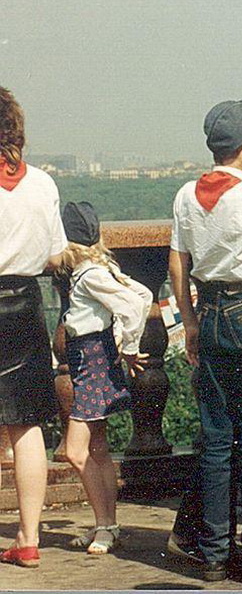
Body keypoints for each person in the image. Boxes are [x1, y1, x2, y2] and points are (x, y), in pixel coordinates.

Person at [168, 98, 242, 584]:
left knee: (217, 439)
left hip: (210, 311)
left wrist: (190, 322)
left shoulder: (186, 195)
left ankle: (213, 552)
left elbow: (178, 263)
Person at [56, 202, 153, 555]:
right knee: (97, 447)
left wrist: (131, 346)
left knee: (74, 450)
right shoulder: (99, 268)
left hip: (91, 362)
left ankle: (105, 524)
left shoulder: (90, 276)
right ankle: (106, 525)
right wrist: (121, 342)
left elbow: (134, 304)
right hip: (93, 360)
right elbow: (144, 294)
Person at [0, 86, 67, 569]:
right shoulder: (43, 183)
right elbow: (56, 254)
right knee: (27, 427)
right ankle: (28, 538)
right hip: (23, 304)